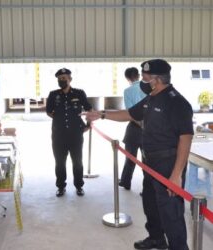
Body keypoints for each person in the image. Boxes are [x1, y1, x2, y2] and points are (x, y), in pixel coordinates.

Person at [83, 59, 192, 250]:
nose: (142, 80)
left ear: (156, 80)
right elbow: (130, 114)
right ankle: (157, 238)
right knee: (151, 204)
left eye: (145, 77)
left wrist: (176, 175)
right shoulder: (152, 98)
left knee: (171, 212)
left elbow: (186, 138)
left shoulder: (177, 102)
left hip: (168, 165)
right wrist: (101, 114)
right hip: (149, 162)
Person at [46, 68, 92, 197]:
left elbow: (89, 108)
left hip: (76, 134)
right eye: (60, 79)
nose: (62, 80)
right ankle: (61, 187)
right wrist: (59, 118)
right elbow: (49, 111)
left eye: (64, 78)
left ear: (70, 79)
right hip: (58, 135)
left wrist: (89, 124)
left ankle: (79, 186)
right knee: (60, 162)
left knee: (77, 162)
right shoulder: (53, 94)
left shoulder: (79, 93)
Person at [119, 67, 146, 190]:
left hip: (134, 129)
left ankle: (125, 182)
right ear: (139, 75)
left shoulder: (128, 91)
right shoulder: (149, 88)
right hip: (149, 128)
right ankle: (148, 188)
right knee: (147, 161)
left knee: (130, 157)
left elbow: (130, 112)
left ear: (127, 78)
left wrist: (139, 123)